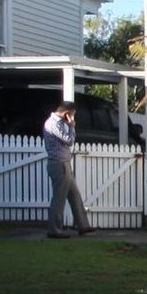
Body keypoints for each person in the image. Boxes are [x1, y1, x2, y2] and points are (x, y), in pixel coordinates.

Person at [43, 100, 90, 238]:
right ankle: (54, 230)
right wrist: (72, 126)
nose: (72, 118)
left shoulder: (59, 123)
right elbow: (69, 140)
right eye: (72, 115)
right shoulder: (53, 124)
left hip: (64, 163)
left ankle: (83, 225)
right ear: (67, 114)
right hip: (59, 164)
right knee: (59, 198)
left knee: (75, 195)